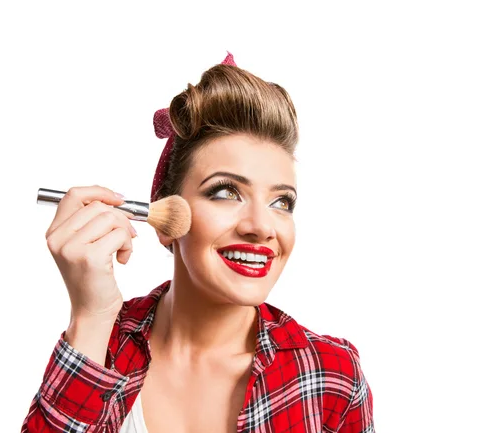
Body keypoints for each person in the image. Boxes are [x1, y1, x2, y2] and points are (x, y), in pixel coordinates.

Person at [21, 53, 375, 433]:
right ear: (166, 219)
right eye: (226, 192)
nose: (261, 226)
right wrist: (90, 317)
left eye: (280, 202)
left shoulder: (330, 376)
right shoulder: (99, 348)